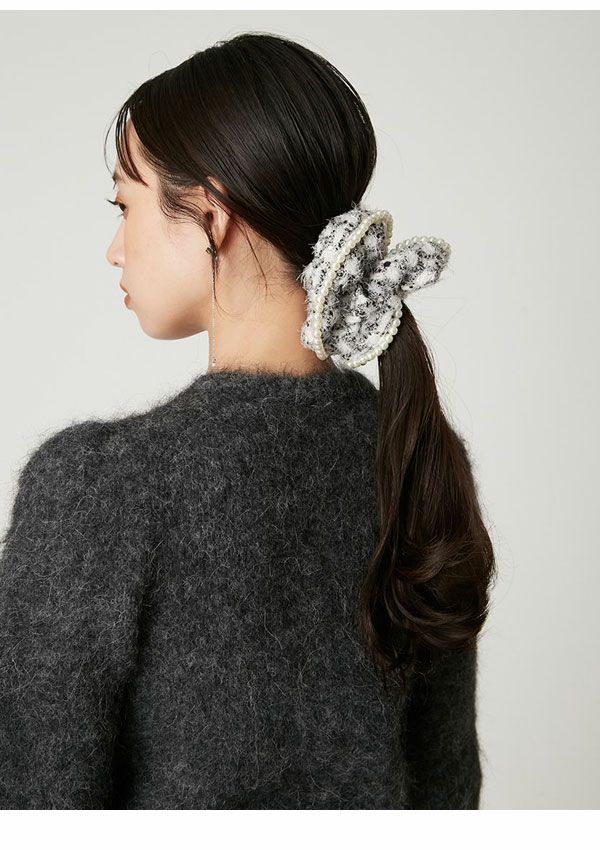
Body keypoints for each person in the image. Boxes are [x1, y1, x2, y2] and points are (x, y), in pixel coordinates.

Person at [0, 32, 496, 810]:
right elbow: (447, 790)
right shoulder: (415, 454)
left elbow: (33, 803)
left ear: (213, 214)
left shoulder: (97, 486)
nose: (114, 249)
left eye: (125, 205)